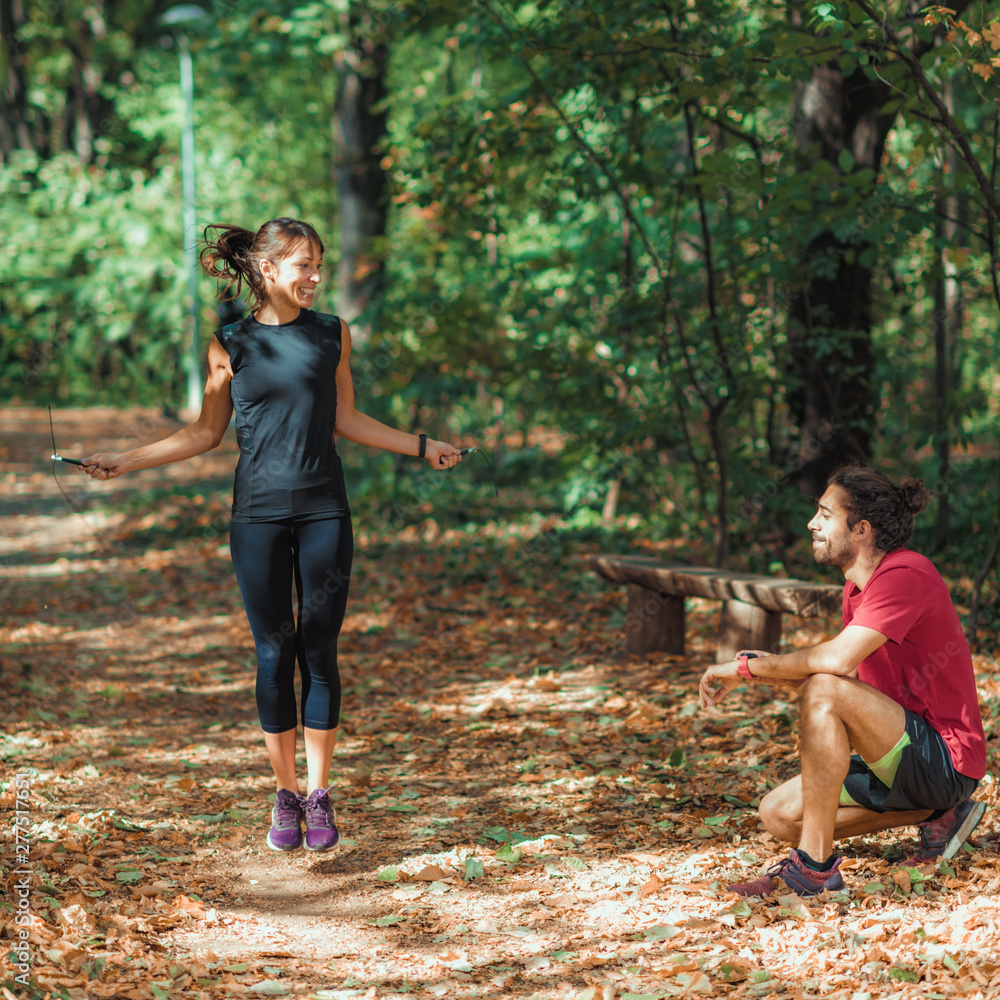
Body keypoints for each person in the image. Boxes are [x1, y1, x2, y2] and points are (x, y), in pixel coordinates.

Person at [80, 217, 462, 852]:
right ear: (267, 270)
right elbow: (205, 434)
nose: (314, 276)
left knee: (319, 648)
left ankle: (319, 793)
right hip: (256, 517)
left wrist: (422, 447)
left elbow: (345, 418)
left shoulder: (333, 334)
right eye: (302, 265)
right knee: (271, 652)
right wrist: (127, 460)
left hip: (324, 513)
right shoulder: (229, 343)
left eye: (318, 265)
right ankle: (284, 793)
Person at [699, 465, 987, 896]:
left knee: (825, 688)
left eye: (825, 514)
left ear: (861, 529)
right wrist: (766, 675)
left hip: (944, 758)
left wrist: (747, 668)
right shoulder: (855, 591)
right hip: (896, 751)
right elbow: (842, 686)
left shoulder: (906, 574)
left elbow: (833, 668)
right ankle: (939, 815)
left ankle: (814, 868)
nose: (812, 524)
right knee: (777, 814)